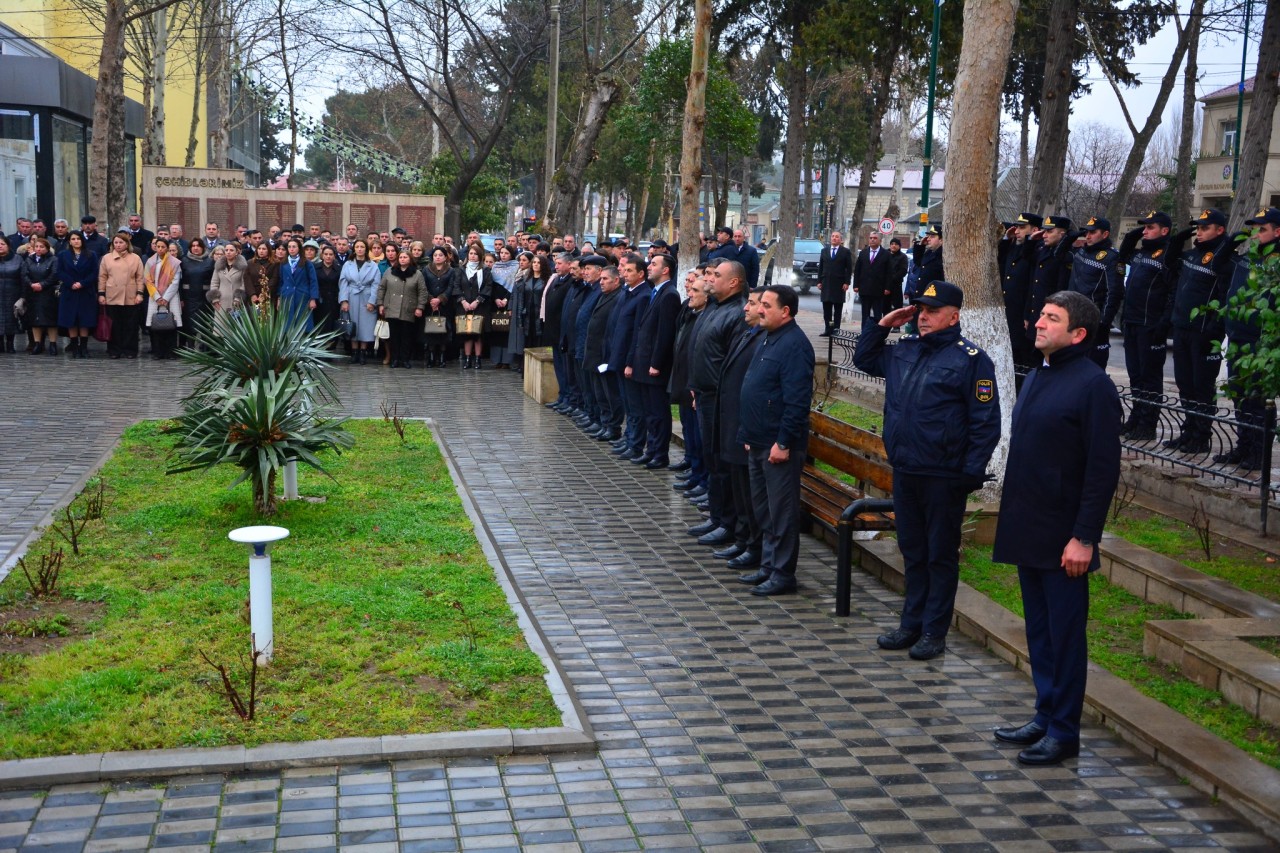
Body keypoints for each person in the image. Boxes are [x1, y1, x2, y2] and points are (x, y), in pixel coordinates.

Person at [992, 290, 1121, 766]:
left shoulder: (1092, 386)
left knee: (1065, 638)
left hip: (1066, 538)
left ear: (1078, 333)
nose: (1039, 323)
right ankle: (1045, 715)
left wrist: (1085, 536)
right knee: (1041, 634)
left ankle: (1064, 731)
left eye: (1052, 318)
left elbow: (1101, 470)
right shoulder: (1040, 375)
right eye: (1041, 314)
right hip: (1030, 529)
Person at [854, 280, 1001, 659]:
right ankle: (911, 623)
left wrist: (968, 475)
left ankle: (935, 631)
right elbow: (864, 359)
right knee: (913, 550)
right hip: (907, 469)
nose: (923, 317)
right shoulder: (906, 350)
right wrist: (885, 322)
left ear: (954, 316)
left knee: (939, 554)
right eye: (920, 310)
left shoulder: (971, 359)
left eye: (932, 311)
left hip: (943, 475)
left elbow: (986, 422)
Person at [736, 285, 815, 596]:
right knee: (765, 510)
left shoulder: (795, 345)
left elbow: (797, 402)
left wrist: (783, 443)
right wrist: (747, 434)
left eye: (767, 305)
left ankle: (782, 574)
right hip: (757, 439)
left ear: (785, 311)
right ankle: (768, 566)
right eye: (760, 305)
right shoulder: (768, 337)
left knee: (781, 512)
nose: (759, 309)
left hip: (778, 445)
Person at [686, 259, 749, 545]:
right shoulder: (713, 306)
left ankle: (728, 522)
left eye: (716, 275)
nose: (709, 280)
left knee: (722, 462)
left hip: (721, 399)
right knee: (712, 459)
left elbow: (731, 362)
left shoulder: (737, 312)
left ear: (733, 282)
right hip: (704, 393)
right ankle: (717, 516)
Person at [1216, 207, 1280, 469]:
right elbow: (1218, 263)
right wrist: (1237, 237)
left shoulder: (1276, 262)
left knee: (1258, 400)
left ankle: (1259, 454)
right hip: (1238, 339)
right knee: (1240, 396)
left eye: (1261, 229)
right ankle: (1243, 448)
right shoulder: (1247, 257)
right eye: (1253, 229)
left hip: (1262, 343)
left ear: (1277, 232)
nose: (1255, 234)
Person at [1167, 208, 1234, 454]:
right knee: (1185, 385)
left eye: (1206, 228)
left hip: (1204, 333)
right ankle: (1188, 431)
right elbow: (1168, 262)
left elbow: (1226, 297)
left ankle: (1201, 436)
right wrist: (1180, 236)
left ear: (1219, 230)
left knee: (1201, 387)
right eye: (1199, 228)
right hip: (1182, 328)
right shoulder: (1192, 254)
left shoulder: (1224, 258)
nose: (1201, 232)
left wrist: (1214, 328)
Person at [716, 288, 766, 570]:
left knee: (750, 492)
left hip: (748, 427)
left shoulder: (762, 338)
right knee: (740, 487)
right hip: (736, 422)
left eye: (753, 303)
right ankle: (743, 538)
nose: (745, 308)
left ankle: (753, 544)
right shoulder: (748, 333)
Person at [1117, 211, 1178, 441]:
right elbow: (1121, 263)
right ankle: (1137, 415)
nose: (1145, 231)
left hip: (1150, 326)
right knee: (1135, 376)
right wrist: (1131, 237)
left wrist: (1163, 323)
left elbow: (1172, 293)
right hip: (1132, 323)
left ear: (1164, 230)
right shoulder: (1141, 254)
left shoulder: (1168, 256)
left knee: (1150, 378)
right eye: (1144, 227)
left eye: (1150, 227)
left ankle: (1148, 423)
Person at [628, 253, 682, 468]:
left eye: (654, 264)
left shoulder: (669, 295)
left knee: (658, 412)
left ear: (666, 269)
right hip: (644, 362)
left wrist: (656, 364)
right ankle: (652, 450)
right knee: (649, 411)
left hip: (654, 366)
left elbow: (665, 333)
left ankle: (660, 453)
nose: (649, 267)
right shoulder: (656, 292)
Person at [608, 254, 653, 460]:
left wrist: (629, 362)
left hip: (630, 359)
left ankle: (636, 444)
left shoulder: (643, 295)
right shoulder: (629, 292)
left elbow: (637, 332)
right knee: (628, 403)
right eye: (624, 270)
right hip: (619, 355)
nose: (624, 274)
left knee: (635, 407)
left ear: (641, 274)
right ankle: (629, 440)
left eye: (629, 271)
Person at [1068, 217, 1123, 369]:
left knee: (1091, 367)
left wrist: (1103, 322)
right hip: (1073, 316)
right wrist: (1075, 234)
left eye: (1093, 232)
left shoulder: (1112, 257)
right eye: (1086, 232)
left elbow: (1114, 292)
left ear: (1105, 234)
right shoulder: (1081, 251)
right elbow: (1058, 253)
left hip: (1094, 320)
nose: (1088, 236)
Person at [998, 212, 1041, 369]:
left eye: (1022, 228)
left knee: (1023, 358)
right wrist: (1004, 239)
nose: (1017, 231)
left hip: (1023, 313)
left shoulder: (1035, 250)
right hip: (1008, 312)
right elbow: (1000, 261)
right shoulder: (1014, 248)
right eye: (1016, 227)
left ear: (1034, 230)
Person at [377, 246, 427, 369]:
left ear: (410, 259)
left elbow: (422, 291)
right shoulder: (389, 271)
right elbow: (382, 288)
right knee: (394, 336)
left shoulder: (417, 274)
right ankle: (395, 359)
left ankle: (405, 359)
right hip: (392, 307)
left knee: (407, 336)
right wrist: (380, 304)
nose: (403, 259)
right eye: (401, 257)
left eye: (405, 257)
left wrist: (420, 307)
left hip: (408, 308)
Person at [98, 233, 145, 359]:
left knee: (131, 325)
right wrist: (101, 294)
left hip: (130, 294)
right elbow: (102, 277)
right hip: (112, 294)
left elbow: (140, 278)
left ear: (126, 244)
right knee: (114, 325)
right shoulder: (107, 258)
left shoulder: (135, 258)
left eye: (121, 242)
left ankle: (130, 350)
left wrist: (140, 293)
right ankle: (114, 350)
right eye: (116, 242)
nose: (118, 245)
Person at [56, 231, 101, 358]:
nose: (76, 241)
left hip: (85, 291)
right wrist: (71, 283)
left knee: (85, 320)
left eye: (78, 239)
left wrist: (82, 283)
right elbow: (59, 272)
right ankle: (75, 347)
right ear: (69, 241)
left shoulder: (91, 255)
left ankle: (84, 347)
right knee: (71, 320)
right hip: (69, 291)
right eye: (73, 239)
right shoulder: (63, 255)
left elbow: (94, 272)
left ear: (82, 240)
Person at [453, 242, 496, 368]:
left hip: (480, 306)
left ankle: (478, 359)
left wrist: (477, 301)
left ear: (480, 256)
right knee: (467, 334)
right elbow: (456, 286)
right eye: (471, 253)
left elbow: (488, 287)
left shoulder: (485, 270)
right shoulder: (461, 270)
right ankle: (467, 359)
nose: (473, 256)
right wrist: (463, 301)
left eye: (476, 254)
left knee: (478, 334)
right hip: (464, 305)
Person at [340, 239, 381, 364]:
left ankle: (363, 352)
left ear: (366, 249)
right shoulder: (348, 264)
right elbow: (343, 282)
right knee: (352, 323)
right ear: (354, 249)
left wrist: (372, 301)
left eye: (362, 246)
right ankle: (354, 351)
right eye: (357, 246)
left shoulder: (373, 265)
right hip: (352, 296)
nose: (359, 249)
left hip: (366, 296)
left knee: (365, 325)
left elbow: (376, 284)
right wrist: (344, 300)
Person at [144, 237, 182, 360]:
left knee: (171, 323)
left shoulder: (174, 262)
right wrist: (157, 297)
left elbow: (175, 282)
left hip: (170, 297)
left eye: (163, 247)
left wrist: (165, 298)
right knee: (156, 324)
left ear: (167, 248)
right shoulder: (150, 262)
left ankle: (170, 351)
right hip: (154, 296)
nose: (160, 249)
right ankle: (158, 352)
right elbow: (147, 280)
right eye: (158, 246)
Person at [21, 237, 58, 355]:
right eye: (36, 246)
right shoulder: (29, 260)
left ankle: (53, 344)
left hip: (48, 293)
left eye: (41, 247)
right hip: (33, 293)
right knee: (34, 318)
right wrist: (31, 284)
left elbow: (54, 274)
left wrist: (43, 284)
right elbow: (24, 274)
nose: (38, 249)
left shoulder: (53, 259)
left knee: (50, 319)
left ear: (47, 248)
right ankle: (37, 344)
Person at [422, 246, 456, 368]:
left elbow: (451, 286)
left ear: (445, 257)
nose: (438, 257)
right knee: (431, 331)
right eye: (435, 255)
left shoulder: (451, 270)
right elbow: (423, 286)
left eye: (440, 255)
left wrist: (440, 299)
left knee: (443, 331)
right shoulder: (426, 269)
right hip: (430, 305)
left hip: (444, 305)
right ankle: (431, 356)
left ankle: (442, 357)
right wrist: (431, 299)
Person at [276, 237, 319, 330]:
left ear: (299, 248)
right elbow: (281, 281)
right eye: (289, 247)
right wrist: (279, 298)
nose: (291, 249)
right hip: (287, 296)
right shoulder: (283, 263)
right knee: (287, 324)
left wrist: (313, 298)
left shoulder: (307, 263)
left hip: (302, 296)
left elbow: (313, 282)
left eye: (294, 247)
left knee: (302, 324)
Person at [178, 239, 214, 348]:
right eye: (193, 246)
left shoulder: (210, 261)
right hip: (189, 297)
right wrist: (181, 298)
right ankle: (190, 346)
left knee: (205, 322)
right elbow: (179, 280)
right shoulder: (183, 261)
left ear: (203, 247)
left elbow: (214, 279)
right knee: (189, 322)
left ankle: (205, 347)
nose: (195, 248)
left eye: (198, 245)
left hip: (204, 298)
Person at [852, 231, 892, 328]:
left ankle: (876, 335)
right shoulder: (863, 253)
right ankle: (864, 334)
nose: (872, 240)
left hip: (878, 289)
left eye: (875, 238)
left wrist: (887, 287)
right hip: (864, 289)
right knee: (865, 314)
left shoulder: (886, 254)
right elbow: (857, 270)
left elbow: (889, 272)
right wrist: (856, 285)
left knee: (878, 314)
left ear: (880, 240)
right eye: (871, 238)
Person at [818, 230, 854, 335]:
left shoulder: (845, 252)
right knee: (827, 309)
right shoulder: (824, 251)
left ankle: (836, 329)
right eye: (833, 236)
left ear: (841, 240)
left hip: (839, 284)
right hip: (826, 283)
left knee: (837, 309)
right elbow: (821, 266)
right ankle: (828, 329)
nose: (834, 238)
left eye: (837, 237)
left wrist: (847, 282)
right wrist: (819, 281)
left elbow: (849, 268)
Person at [209, 243, 247, 321]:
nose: (228, 252)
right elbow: (214, 283)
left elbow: (244, 283)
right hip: (221, 302)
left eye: (231, 250)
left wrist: (238, 298)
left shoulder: (242, 266)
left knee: (235, 327)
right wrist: (215, 299)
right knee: (221, 327)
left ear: (237, 252)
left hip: (236, 302)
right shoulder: (219, 265)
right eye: (226, 250)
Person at [313, 245, 343, 342]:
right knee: (318, 325)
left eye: (331, 254)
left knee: (332, 325)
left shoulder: (339, 269)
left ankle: (331, 348)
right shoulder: (315, 267)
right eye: (326, 254)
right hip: (319, 301)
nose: (328, 256)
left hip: (334, 302)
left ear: (334, 256)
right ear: (322, 255)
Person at [0, 238, 21, 353]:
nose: (0, 246)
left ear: (8, 246)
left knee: (11, 318)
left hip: (12, 293)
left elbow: (23, 275)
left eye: (2, 244)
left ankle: (10, 343)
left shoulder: (17, 259)